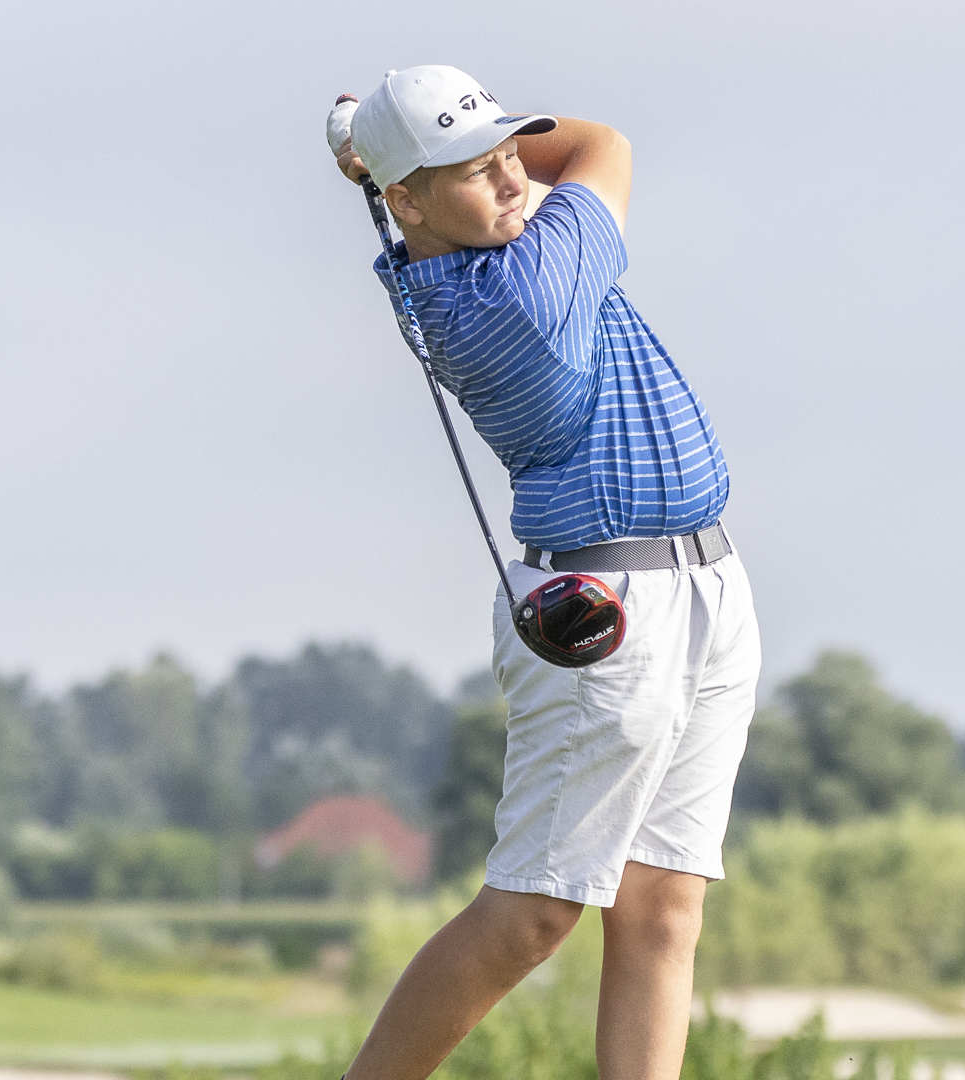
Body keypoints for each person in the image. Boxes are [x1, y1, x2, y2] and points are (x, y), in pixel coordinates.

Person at [328, 65, 760, 1080]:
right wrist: (373, 144)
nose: (513, 177)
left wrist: (399, 145)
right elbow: (603, 144)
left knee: (665, 906)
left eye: (505, 151)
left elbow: (526, 168)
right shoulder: (523, 291)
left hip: (705, 589)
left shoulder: (468, 244)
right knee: (532, 912)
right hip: (611, 619)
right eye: (474, 171)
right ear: (406, 203)